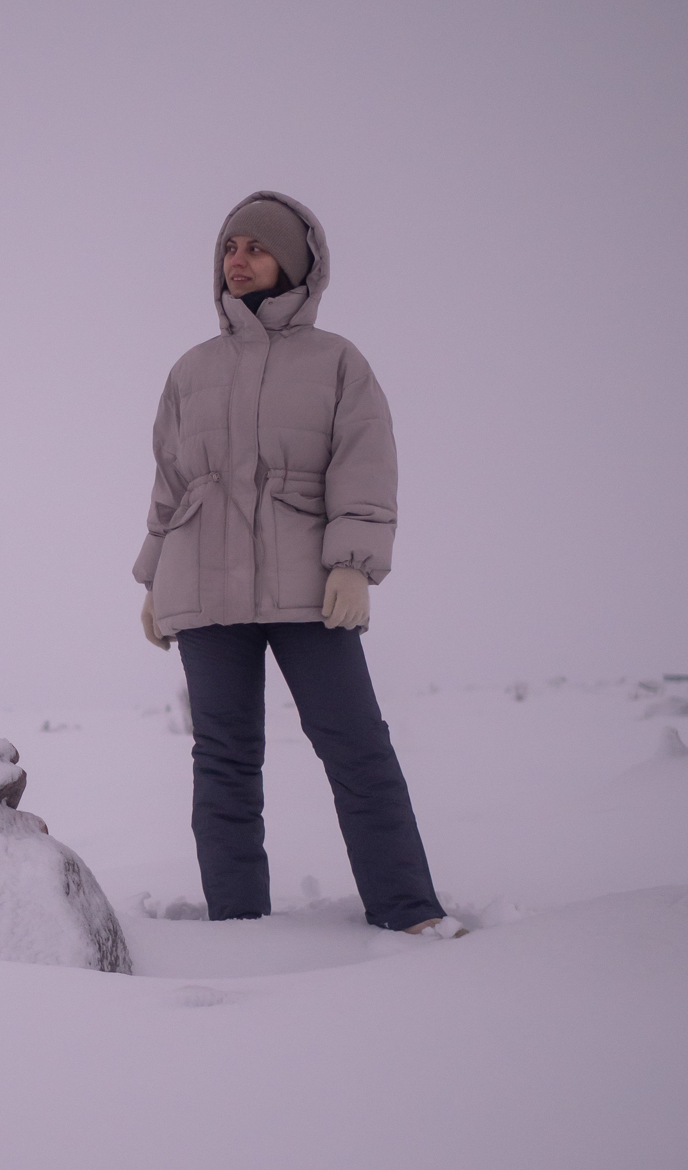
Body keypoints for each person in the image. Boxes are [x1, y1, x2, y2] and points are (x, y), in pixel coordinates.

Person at [134, 190, 453, 936]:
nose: (236, 261)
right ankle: (239, 928)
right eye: (228, 247)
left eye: (255, 247)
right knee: (223, 762)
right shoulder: (190, 370)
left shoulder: (338, 361)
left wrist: (353, 564)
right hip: (204, 585)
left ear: (297, 262)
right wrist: (154, 579)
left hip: (310, 586)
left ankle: (409, 913)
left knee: (356, 746)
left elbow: (365, 466)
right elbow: (170, 483)